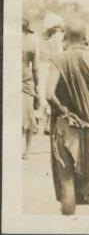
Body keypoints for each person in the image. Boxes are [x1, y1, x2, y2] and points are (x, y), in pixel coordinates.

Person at [45, 20, 89, 216]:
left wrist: (63, 110)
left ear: (65, 38)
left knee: (67, 179)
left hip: (65, 125)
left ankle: (69, 229)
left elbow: (49, 95)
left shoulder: (59, 59)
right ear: (85, 37)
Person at [38, 13, 64, 135]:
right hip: (42, 68)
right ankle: (39, 124)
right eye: (56, 27)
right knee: (41, 93)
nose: (57, 30)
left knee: (51, 93)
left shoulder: (57, 39)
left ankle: (48, 124)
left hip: (52, 68)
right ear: (50, 27)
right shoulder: (39, 39)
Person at [22, 19, 40, 159]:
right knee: (28, 116)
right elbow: (35, 68)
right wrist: (37, 87)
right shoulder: (32, 43)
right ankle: (27, 150)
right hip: (26, 80)